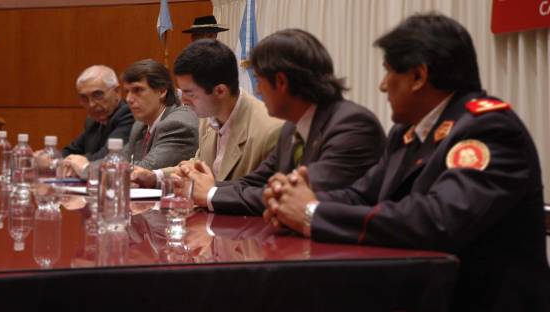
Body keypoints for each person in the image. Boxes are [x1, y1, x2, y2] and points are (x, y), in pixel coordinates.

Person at [263, 13, 550, 311]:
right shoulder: (408, 132)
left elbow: (437, 221)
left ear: (418, 77)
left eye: (388, 72)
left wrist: (313, 213)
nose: (382, 86)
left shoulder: (489, 129)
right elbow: (361, 194)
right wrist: (291, 202)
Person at [176, 29, 386, 216]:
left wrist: (212, 194)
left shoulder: (352, 126)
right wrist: (204, 187)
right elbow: (253, 182)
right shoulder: (291, 128)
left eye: (259, 81)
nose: (257, 91)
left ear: (282, 82)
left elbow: (296, 197)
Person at [131, 39, 283, 188]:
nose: (183, 100)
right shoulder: (209, 115)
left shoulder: (270, 131)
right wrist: (155, 177)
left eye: (189, 93)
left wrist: (211, 194)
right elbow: (197, 166)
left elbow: (261, 196)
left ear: (220, 91)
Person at [63, 59, 198, 178]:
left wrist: (86, 168)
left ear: (162, 91)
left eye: (137, 90)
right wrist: (81, 166)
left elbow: (145, 170)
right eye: (127, 91)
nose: (128, 99)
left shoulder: (178, 124)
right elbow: (118, 160)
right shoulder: (140, 124)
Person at [62, 65, 134, 161]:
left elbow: (108, 157)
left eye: (97, 95)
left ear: (117, 92)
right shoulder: (92, 120)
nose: (91, 104)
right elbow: (69, 151)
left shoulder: (128, 114)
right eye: (84, 98)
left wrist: (72, 162)